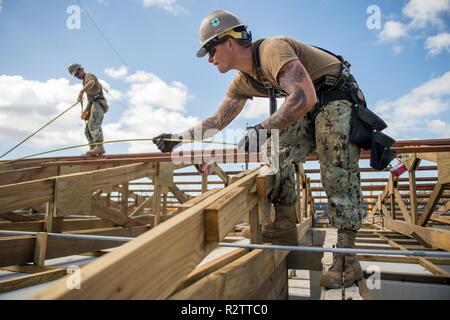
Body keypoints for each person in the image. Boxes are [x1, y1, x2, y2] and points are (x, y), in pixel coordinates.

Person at [153, 10, 364, 289]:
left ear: (229, 41)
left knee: (335, 163)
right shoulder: (244, 80)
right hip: (310, 105)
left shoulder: (272, 50)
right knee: (275, 151)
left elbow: (305, 95)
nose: (210, 58)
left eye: (210, 49)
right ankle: (285, 222)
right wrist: (180, 138)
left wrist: (263, 128)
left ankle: (347, 260)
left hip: (335, 96)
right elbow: (216, 122)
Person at [68, 63, 109, 156]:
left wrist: (82, 91)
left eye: (77, 74)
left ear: (81, 69)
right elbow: (91, 99)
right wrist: (86, 110)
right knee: (87, 129)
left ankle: (99, 147)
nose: (77, 76)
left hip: (99, 103)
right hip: (93, 103)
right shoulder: (84, 81)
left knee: (93, 124)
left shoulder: (89, 76)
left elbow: (92, 83)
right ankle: (93, 148)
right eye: (75, 76)